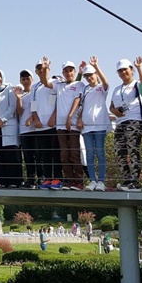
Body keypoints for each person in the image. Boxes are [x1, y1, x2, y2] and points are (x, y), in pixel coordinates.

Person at [39, 56, 86, 190]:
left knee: (74, 154)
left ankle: (79, 181)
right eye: (66, 71)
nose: (68, 73)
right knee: (64, 155)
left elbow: (77, 100)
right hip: (60, 126)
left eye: (71, 70)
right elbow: (44, 82)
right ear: (63, 72)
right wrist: (44, 68)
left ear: (75, 71)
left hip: (73, 125)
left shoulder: (79, 84)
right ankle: (69, 181)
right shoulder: (59, 85)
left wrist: (70, 117)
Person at [109, 57, 142, 192]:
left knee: (133, 150)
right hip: (120, 122)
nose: (123, 72)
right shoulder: (116, 89)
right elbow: (111, 106)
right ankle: (127, 179)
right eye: (120, 71)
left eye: (125, 69)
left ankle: (135, 181)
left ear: (131, 70)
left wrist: (139, 67)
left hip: (134, 120)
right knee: (119, 152)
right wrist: (115, 111)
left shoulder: (137, 84)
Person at [76, 57, 109, 192]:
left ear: (96, 75)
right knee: (89, 154)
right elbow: (80, 103)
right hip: (86, 127)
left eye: (91, 75)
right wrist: (79, 118)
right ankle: (92, 180)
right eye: (87, 76)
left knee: (100, 153)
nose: (89, 78)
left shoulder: (102, 88)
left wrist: (97, 66)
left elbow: (106, 82)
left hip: (100, 125)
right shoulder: (85, 89)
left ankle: (101, 180)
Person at [31, 59, 63, 189]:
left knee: (55, 153)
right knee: (44, 154)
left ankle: (57, 178)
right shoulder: (34, 87)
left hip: (52, 125)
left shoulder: (55, 82)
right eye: (38, 68)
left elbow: (58, 102)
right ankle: (48, 178)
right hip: (40, 127)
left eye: (43, 68)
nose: (41, 70)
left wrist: (53, 117)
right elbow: (33, 105)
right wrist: (36, 119)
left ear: (49, 69)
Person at [0, 69, 22, 188]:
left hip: (8, 127)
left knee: (11, 154)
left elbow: (12, 107)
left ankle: (15, 181)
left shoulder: (10, 90)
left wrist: (2, 119)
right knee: (0, 154)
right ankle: (4, 181)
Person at [15, 69, 38, 187]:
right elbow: (19, 112)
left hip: (35, 129)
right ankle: (30, 179)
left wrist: (32, 119)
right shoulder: (21, 95)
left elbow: (36, 108)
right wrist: (18, 98)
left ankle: (41, 178)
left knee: (38, 155)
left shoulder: (35, 92)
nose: (25, 81)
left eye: (27, 78)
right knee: (28, 156)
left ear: (32, 79)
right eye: (23, 79)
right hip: (23, 130)